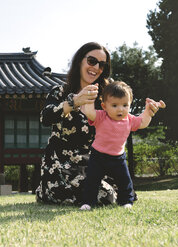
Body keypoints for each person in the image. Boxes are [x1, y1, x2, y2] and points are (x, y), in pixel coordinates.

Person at [35, 42, 160, 205]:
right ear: (80, 60)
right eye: (92, 61)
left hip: (94, 161)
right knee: (104, 196)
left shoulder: (105, 96)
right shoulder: (60, 92)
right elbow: (46, 117)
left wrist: (148, 112)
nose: (96, 67)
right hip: (61, 162)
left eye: (102, 64)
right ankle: (48, 190)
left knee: (123, 192)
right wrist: (74, 102)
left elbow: (125, 118)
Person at [80, 81, 166, 210]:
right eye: (114, 105)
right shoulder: (101, 116)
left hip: (118, 158)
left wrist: (148, 111)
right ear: (104, 106)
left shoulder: (130, 119)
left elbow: (143, 122)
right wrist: (90, 98)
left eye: (125, 105)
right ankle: (88, 203)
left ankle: (126, 202)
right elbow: (89, 112)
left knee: (125, 181)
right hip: (98, 156)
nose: (120, 109)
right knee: (92, 181)